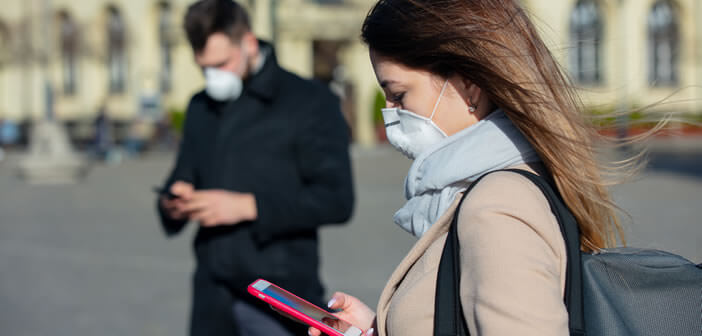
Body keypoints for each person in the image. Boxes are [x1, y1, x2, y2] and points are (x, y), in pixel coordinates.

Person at [309, 1, 625, 336]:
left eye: (399, 94)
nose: (390, 113)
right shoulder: (490, 186)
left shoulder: (497, 206)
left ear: (469, 85)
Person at [156, 1, 355, 336]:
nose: (213, 76)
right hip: (212, 295)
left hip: (279, 294)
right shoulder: (200, 107)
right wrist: (172, 202)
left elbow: (336, 199)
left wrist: (248, 206)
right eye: (205, 68)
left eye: (221, 64)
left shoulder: (309, 101)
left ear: (248, 42)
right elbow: (181, 175)